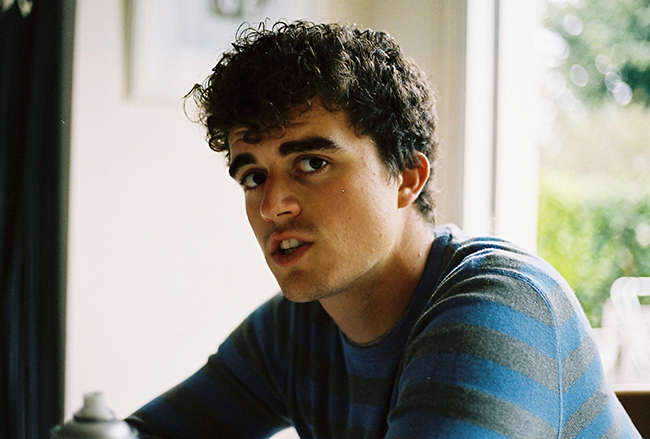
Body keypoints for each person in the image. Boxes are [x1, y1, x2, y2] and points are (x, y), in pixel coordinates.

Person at [125, 20, 641, 438]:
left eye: (311, 163)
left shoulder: (502, 304)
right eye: (254, 176)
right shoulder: (296, 329)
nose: (272, 206)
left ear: (407, 177)